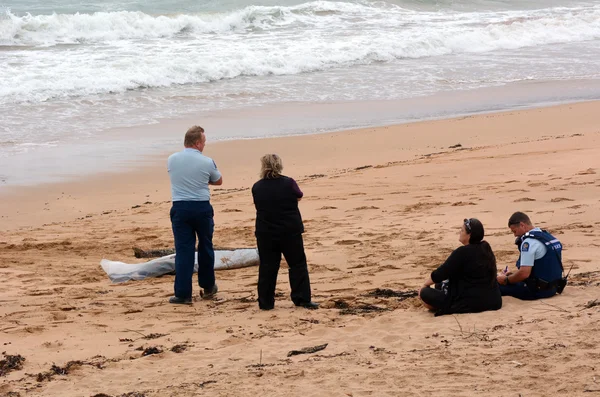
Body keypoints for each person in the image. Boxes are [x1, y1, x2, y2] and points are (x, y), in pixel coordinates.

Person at [251, 154, 318, 310]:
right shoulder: (289, 183)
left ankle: (266, 302)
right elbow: (299, 196)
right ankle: (301, 298)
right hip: (289, 230)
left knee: (268, 266)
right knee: (297, 264)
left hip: (266, 231)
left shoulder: (257, 186)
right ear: (279, 165)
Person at [167, 125, 222, 304]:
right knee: (205, 246)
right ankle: (207, 286)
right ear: (197, 143)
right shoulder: (207, 161)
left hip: (180, 207)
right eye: (204, 142)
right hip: (201, 207)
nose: (204, 145)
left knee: (184, 250)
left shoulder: (172, 159)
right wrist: (202, 179)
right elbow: (218, 180)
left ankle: (183, 293)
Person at [419, 218, 502, 316]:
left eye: (462, 230)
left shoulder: (462, 252)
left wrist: (424, 286)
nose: (460, 232)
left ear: (469, 235)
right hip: (493, 300)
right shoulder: (485, 248)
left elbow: (441, 273)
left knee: (425, 293)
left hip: (470, 302)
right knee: (440, 284)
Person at [497, 211, 565, 300]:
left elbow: (524, 274)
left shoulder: (528, 243)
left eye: (514, 231)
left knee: (493, 285)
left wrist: (506, 280)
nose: (515, 235)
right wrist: (510, 275)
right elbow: (543, 266)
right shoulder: (548, 237)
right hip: (554, 288)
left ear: (522, 225)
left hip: (537, 291)